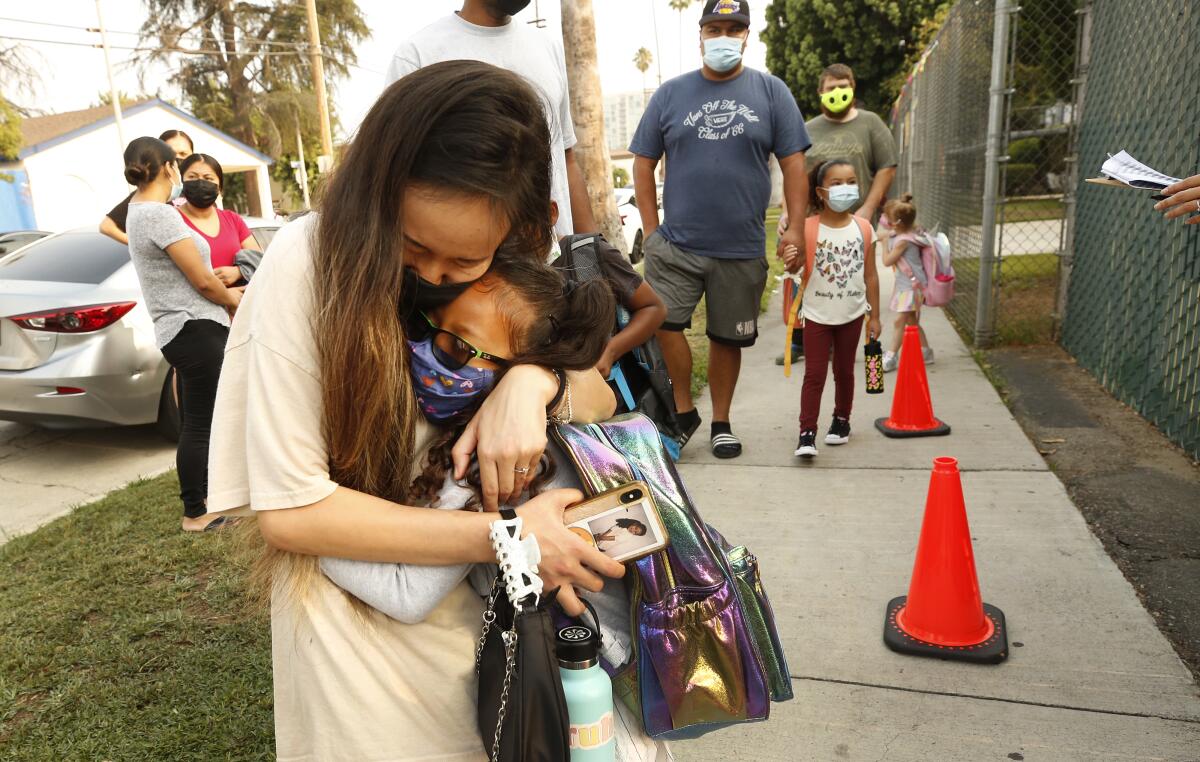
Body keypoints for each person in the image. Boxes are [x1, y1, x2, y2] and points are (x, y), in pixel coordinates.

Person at [202, 62, 626, 761]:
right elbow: (289, 511)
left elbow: (601, 395)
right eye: (413, 244)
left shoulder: (504, 276)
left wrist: (534, 383)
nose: (431, 277)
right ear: (378, 192)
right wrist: (512, 537)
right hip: (361, 657)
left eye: (463, 260)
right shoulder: (309, 264)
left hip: (492, 640)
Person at [629, 0, 811, 458]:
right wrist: (651, 232)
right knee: (662, 325)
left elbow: (794, 164)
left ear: (747, 35)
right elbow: (643, 163)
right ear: (702, 33)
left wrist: (794, 229)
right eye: (716, 27)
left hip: (741, 248)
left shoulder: (771, 92)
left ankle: (722, 422)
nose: (724, 36)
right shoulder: (670, 94)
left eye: (734, 28)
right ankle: (684, 410)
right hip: (676, 247)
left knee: (727, 338)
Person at [384, 0, 596, 240]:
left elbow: (566, 159)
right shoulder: (417, 55)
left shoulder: (547, 47)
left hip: (555, 266)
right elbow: (394, 174)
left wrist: (592, 253)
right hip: (463, 266)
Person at [122, 136, 242, 531]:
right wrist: (236, 300)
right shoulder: (160, 214)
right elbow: (203, 282)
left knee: (197, 419)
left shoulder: (138, 211)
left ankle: (204, 500)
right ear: (169, 168)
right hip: (194, 326)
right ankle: (196, 511)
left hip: (183, 328)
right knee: (201, 423)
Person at [777, 63, 898, 365]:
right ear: (821, 92)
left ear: (853, 89)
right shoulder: (807, 129)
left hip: (852, 220)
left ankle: (840, 336)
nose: (837, 92)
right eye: (831, 87)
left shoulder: (870, 123)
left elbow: (887, 165)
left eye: (843, 86)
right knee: (803, 275)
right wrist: (787, 213)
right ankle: (799, 338)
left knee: (849, 277)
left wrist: (869, 206)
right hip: (811, 220)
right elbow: (795, 173)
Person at [787, 159, 881, 459]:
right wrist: (791, 256)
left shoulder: (864, 228)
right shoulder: (807, 228)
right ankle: (807, 432)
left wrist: (875, 316)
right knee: (814, 374)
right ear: (820, 191)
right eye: (837, 183)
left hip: (852, 314)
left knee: (844, 371)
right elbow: (793, 267)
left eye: (851, 181)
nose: (846, 188)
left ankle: (842, 421)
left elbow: (871, 275)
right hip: (817, 314)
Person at [176, 153, 262, 285]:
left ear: (220, 188)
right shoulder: (173, 220)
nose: (200, 183)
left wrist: (239, 272)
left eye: (208, 178)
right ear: (182, 182)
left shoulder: (232, 219)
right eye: (192, 177)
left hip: (240, 302)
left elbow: (259, 259)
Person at [100, 129, 193, 245]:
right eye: (173, 155)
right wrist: (143, 246)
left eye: (183, 154)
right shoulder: (146, 195)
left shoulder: (203, 187)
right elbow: (107, 226)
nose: (178, 159)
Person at [879, 194, 934, 371]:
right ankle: (926, 352)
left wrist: (885, 242)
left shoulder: (902, 241)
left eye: (887, 218)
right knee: (911, 321)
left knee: (899, 322)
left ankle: (891, 356)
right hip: (910, 286)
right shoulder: (910, 234)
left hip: (910, 288)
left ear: (896, 223)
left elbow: (887, 261)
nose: (885, 221)